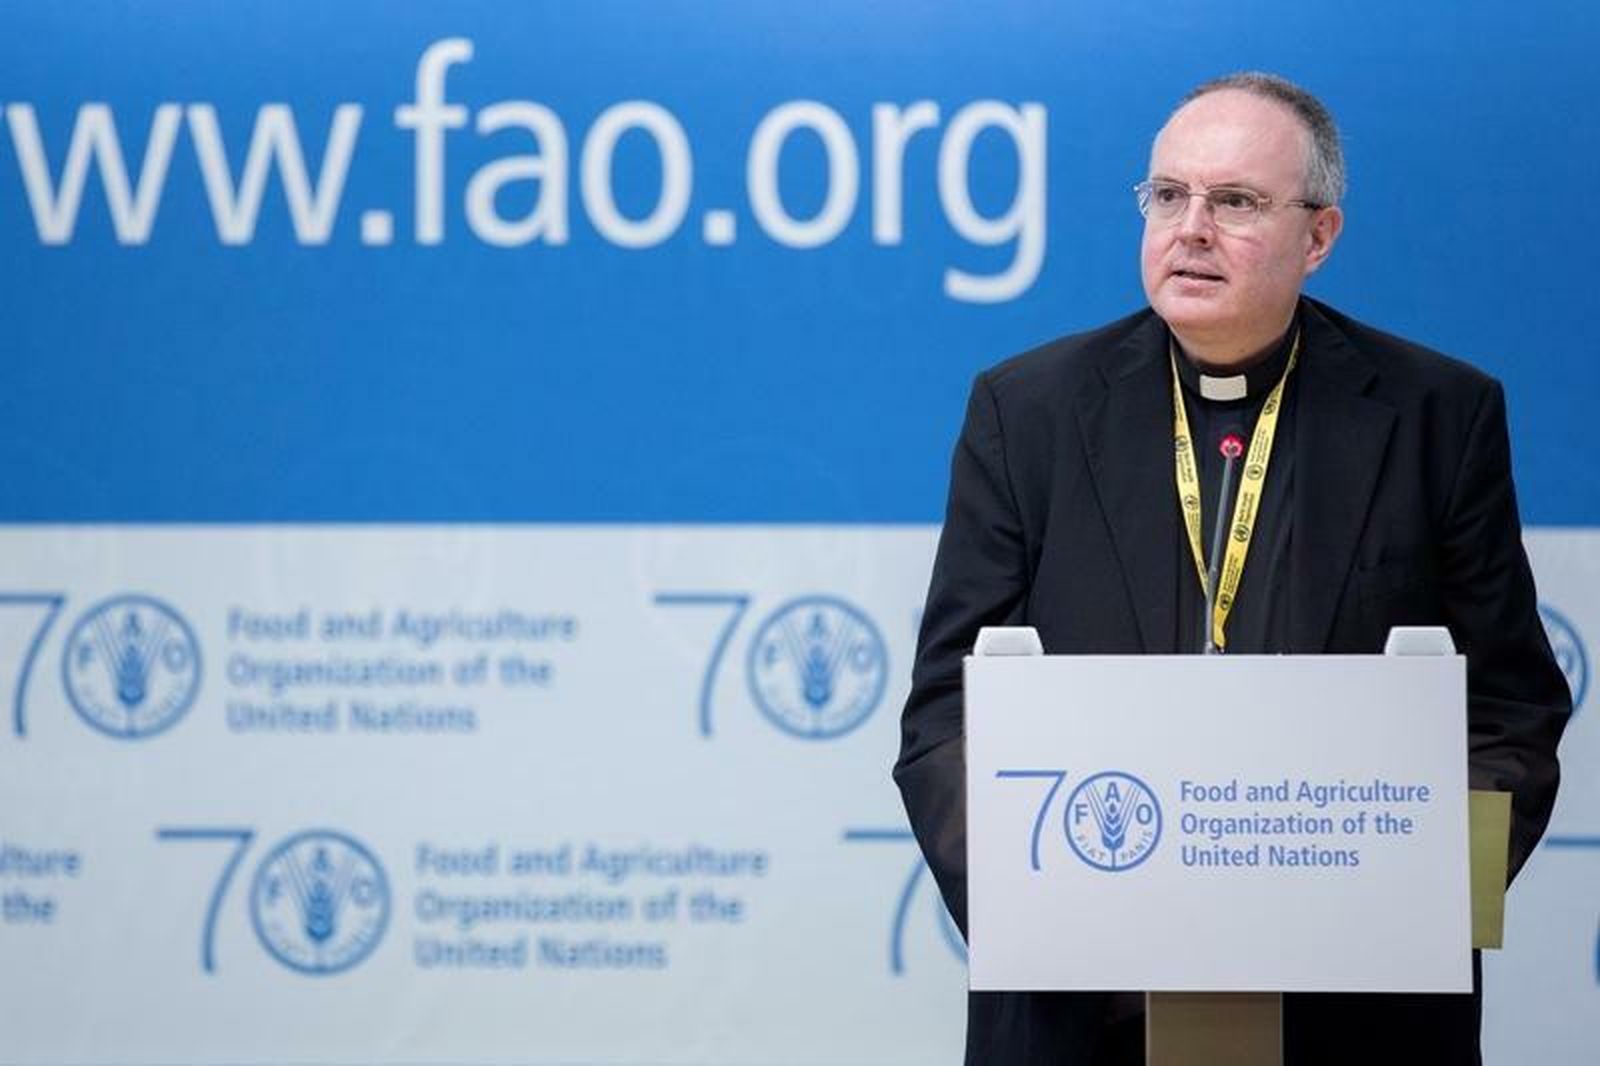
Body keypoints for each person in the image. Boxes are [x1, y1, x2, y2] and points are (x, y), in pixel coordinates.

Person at [893, 72, 1570, 1065]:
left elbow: (1508, 711)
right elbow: (945, 713)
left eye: (1236, 201)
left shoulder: (1437, 416)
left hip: (1357, 1005)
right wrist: (1043, 903)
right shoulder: (1026, 411)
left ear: (1319, 236)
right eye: (1168, 196)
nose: (1191, 228)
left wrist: (1408, 894)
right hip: (1084, 1005)